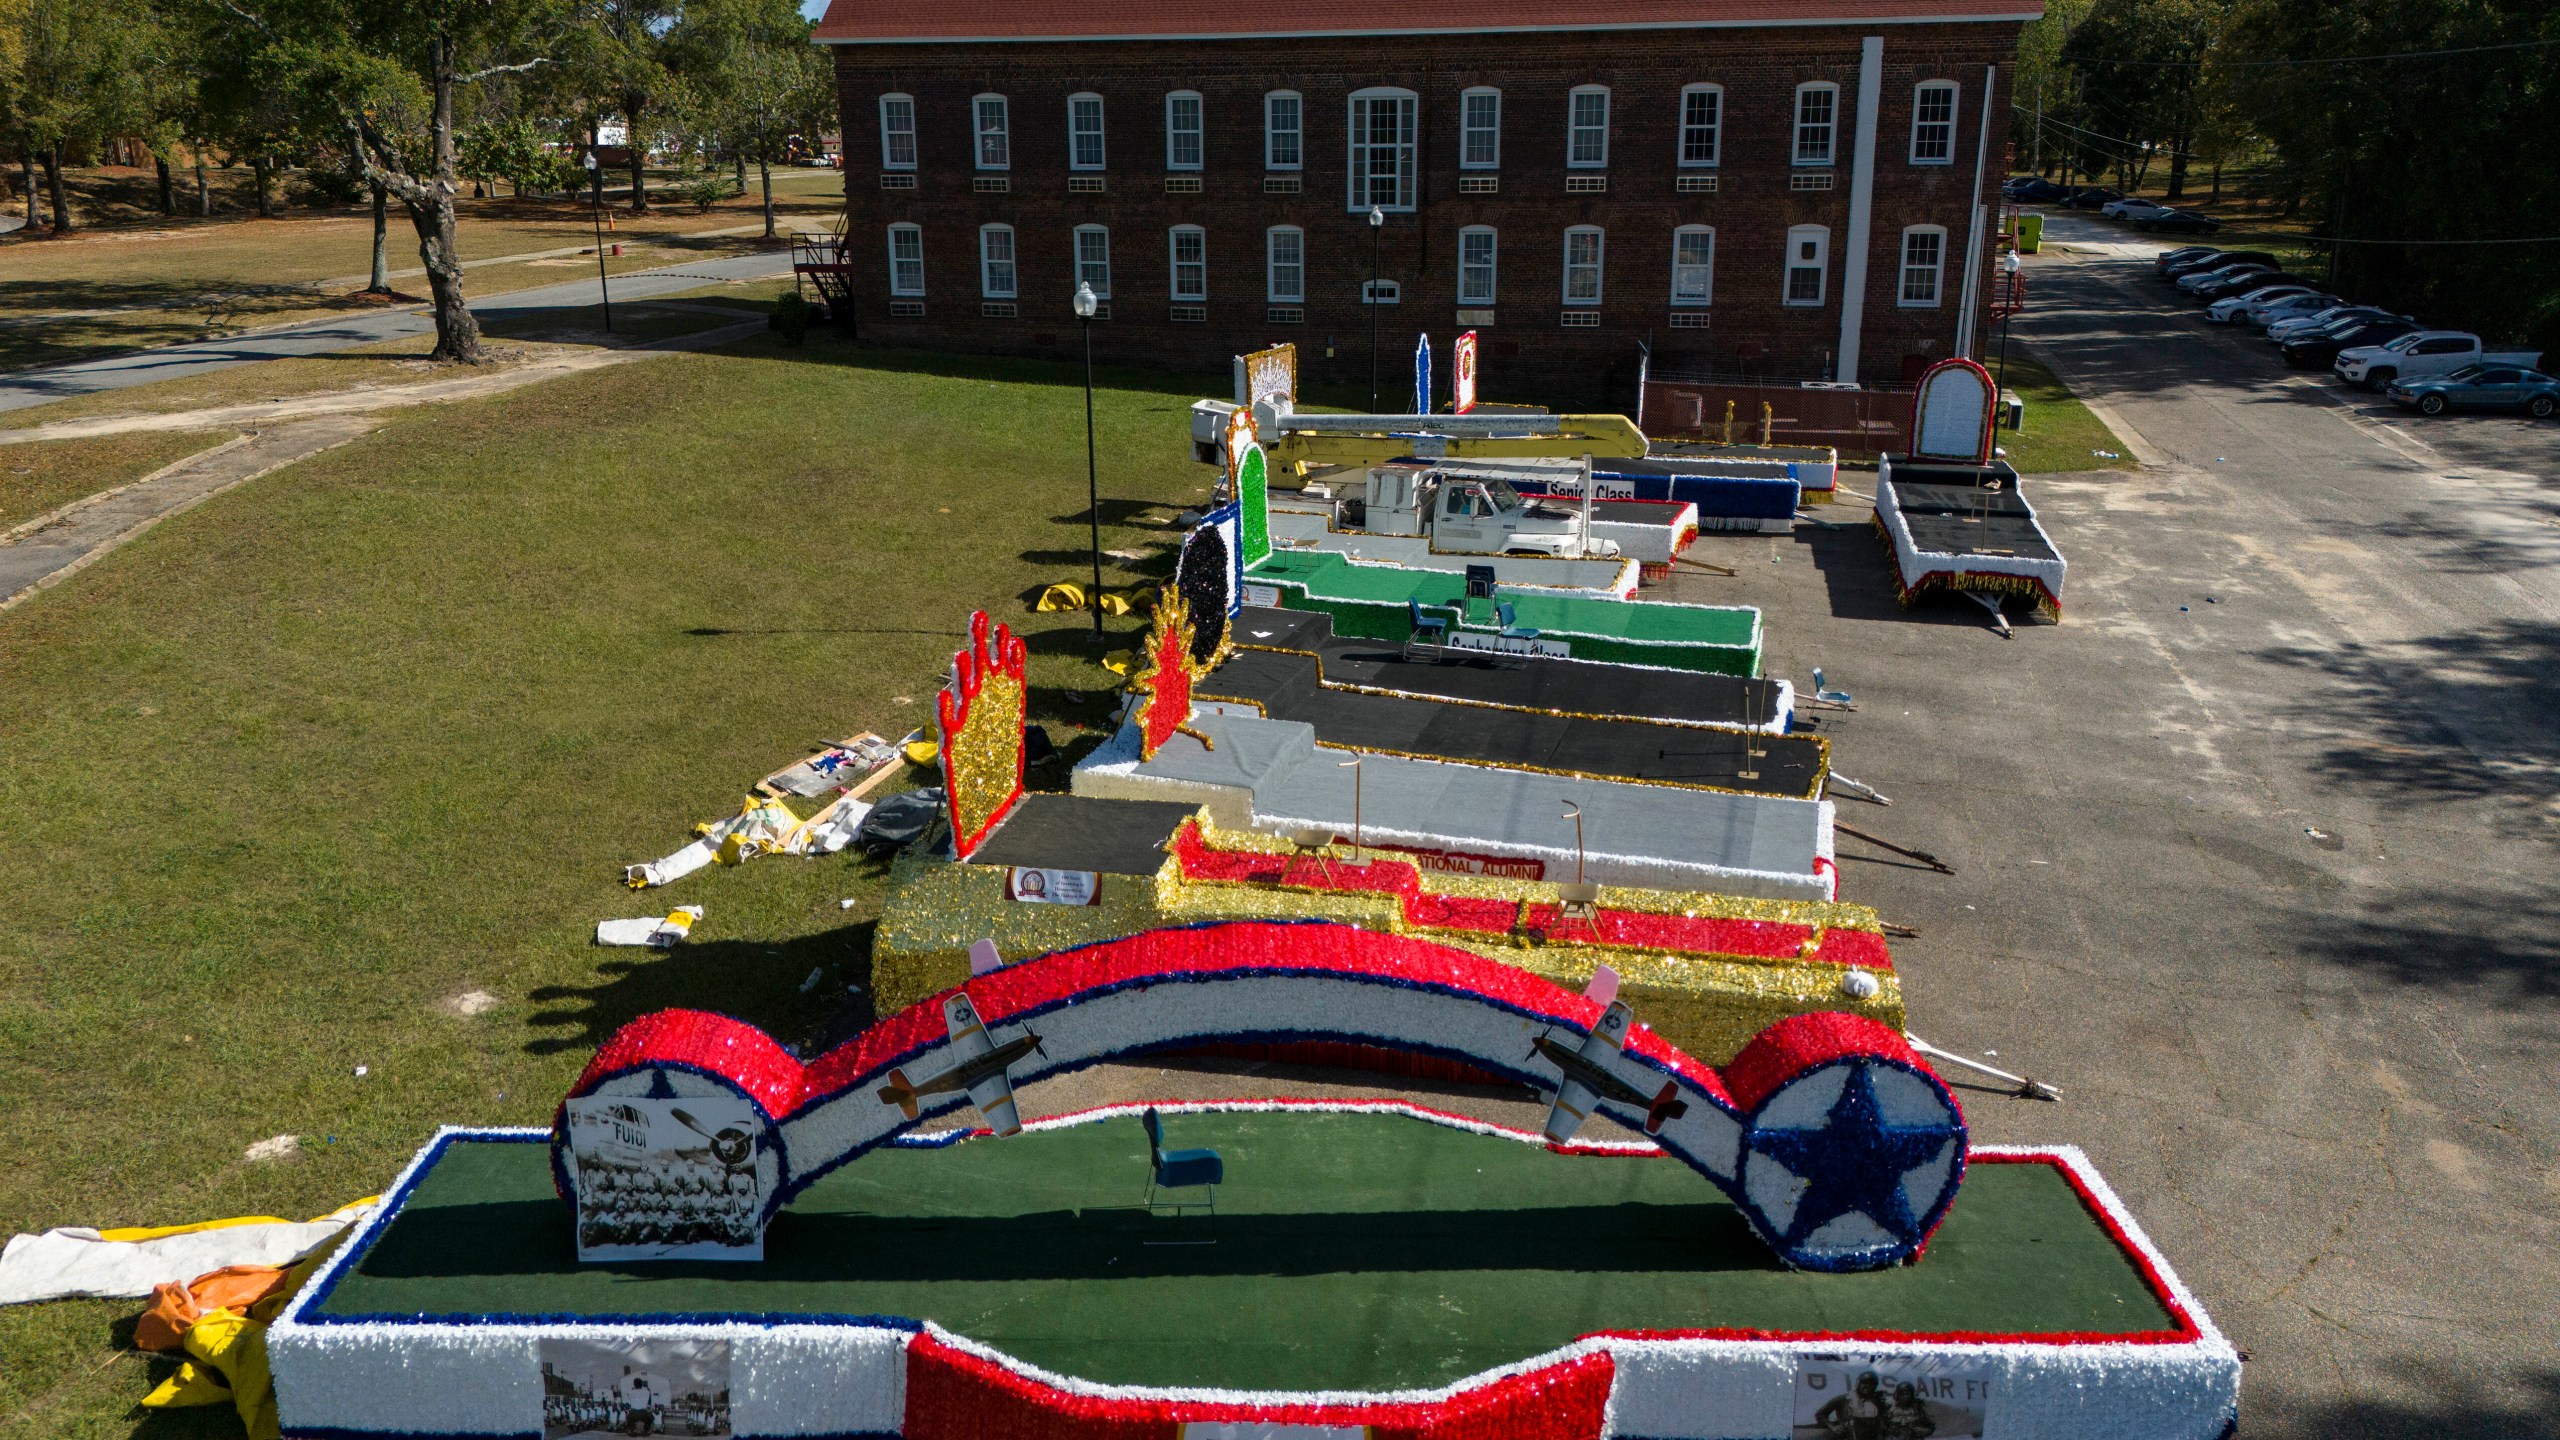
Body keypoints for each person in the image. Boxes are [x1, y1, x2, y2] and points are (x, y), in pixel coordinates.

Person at [1812, 1371, 1887, 1440]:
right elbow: (1820, 1414)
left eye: (1871, 1384)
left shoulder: (1878, 1403)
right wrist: (1833, 1427)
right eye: (1865, 1383)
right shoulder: (1844, 1399)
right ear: (1858, 1384)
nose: (1868, 1386)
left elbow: (1883, 1422)